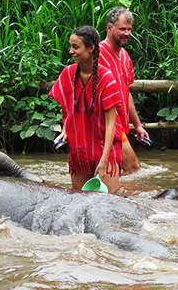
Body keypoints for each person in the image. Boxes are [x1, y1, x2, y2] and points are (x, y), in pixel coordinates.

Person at [49, 26, 123, 193]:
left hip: (106, 151)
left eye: (76, 47)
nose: (71, 51)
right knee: (80, 203)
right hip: (79, 151)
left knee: (108, 205)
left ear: (91, 48)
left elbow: (112, 123)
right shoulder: (67, 74)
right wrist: (65, 130)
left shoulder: (106, 78)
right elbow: (68, 111)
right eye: (71, 46)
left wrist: (104, 159)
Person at [98, 7, 150, 174]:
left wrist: (137, 125)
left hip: (122, 125)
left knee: (123, 173)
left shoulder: (126, 56)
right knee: (134, 169)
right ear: (109, 28)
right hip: (106, 125)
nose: (127, 33)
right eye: (122, 29)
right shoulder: (97, 54)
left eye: (129, 29)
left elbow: (125, 93)